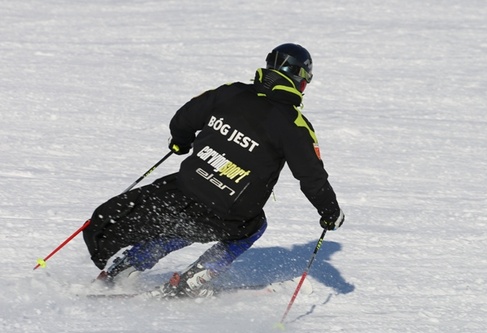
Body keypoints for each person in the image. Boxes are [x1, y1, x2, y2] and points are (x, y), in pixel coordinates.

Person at [82, 43, 344, 298]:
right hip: (228, 213)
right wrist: (330, 212)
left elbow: (184, 118)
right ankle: (197, 278)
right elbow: (312, 178)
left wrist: (180, 141)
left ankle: (124, 269)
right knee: (253, 226)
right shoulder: (295, 125)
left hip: (183, 191)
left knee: (180, 226)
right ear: (299, 80)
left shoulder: (231, 92)